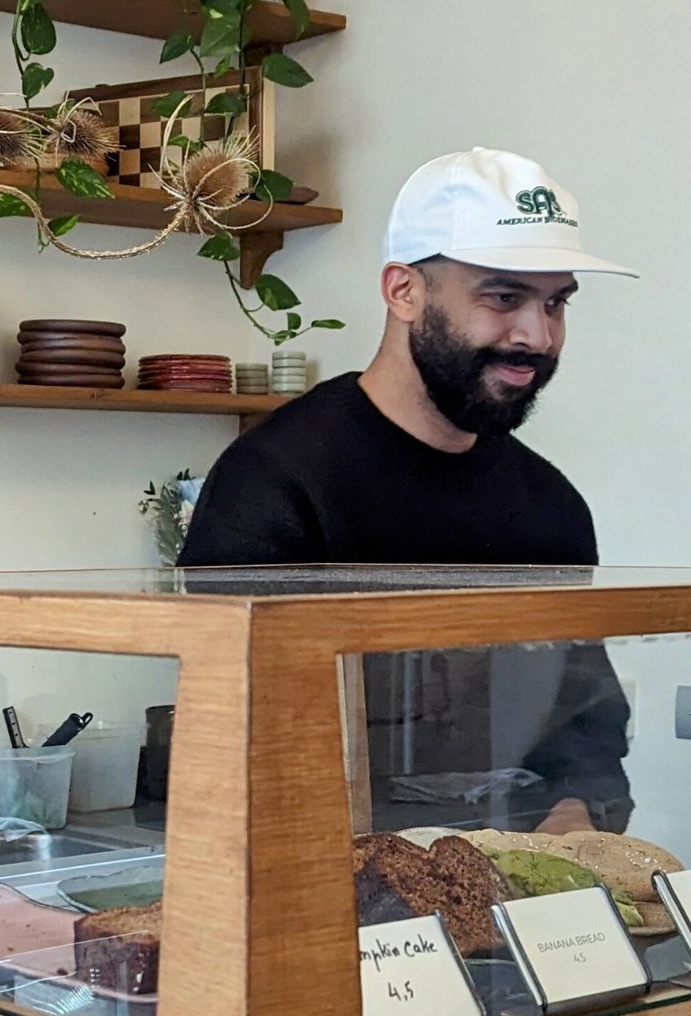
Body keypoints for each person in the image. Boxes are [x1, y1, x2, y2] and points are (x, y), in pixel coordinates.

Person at [179, 148, 637, 834]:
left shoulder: (551, 504)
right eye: (504, 297)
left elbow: (583, 721)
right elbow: (235, 741)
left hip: (511, 888)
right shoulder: (277, 482)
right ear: (404, 292)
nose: (537, 337)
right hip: (331, 883)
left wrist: (576, 813)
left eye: (556, 303)